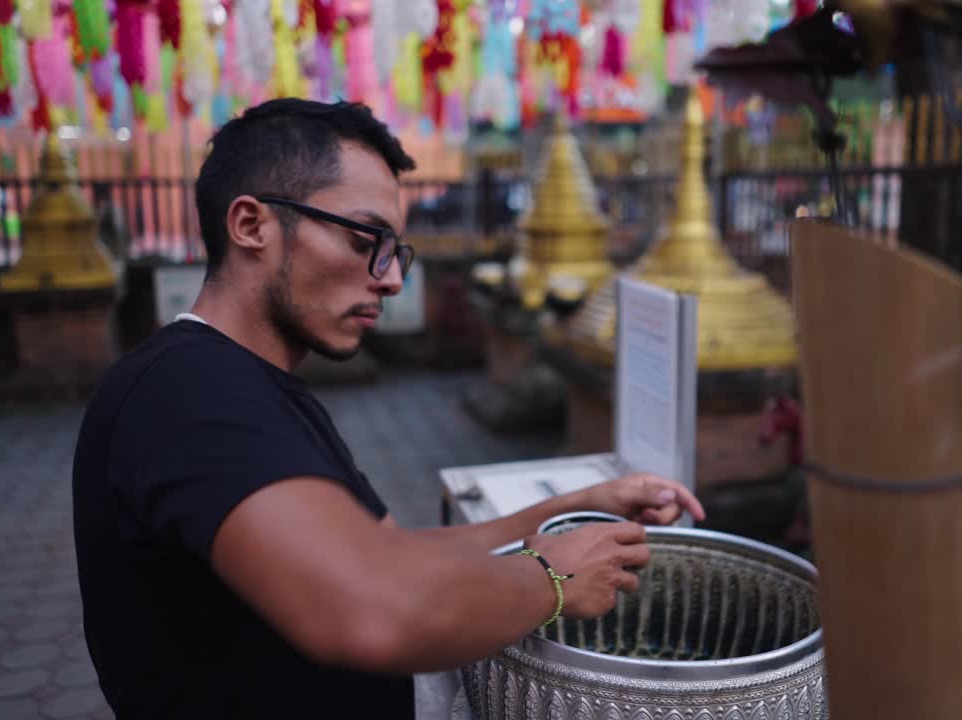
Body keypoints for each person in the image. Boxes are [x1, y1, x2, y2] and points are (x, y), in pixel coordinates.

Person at [71, 98, 705, 720]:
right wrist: (552, 579)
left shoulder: (248, 385)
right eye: (363, 238)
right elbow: (372, 610)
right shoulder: (188, 391)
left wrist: (576, 506)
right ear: (251, 225)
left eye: (393, 250)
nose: (392, 278)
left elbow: (393, 557)